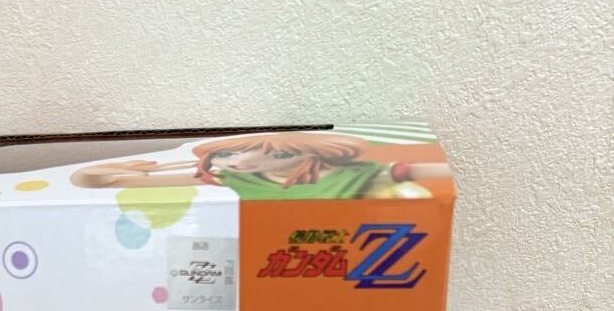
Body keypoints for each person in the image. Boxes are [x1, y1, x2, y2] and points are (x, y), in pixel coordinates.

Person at [71, 132, 449, 199]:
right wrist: (105, 169)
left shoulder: (358, 175)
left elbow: (431, 179)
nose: (244, 162)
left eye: (279, 155)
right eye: (228, 155)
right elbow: (95, 184)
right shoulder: (236, 181)